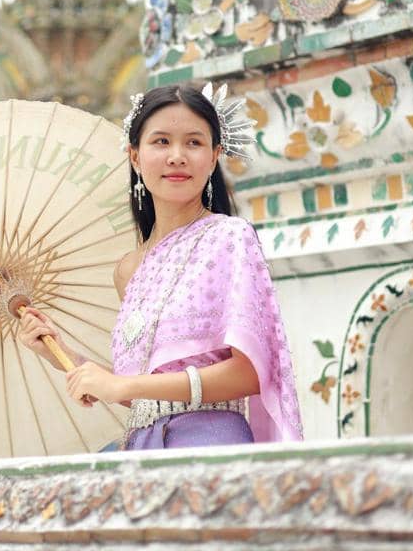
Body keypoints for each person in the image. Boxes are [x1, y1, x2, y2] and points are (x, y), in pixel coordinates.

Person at [18, 83, 304, 449]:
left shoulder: (229, 238)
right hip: (141, 445)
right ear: (135, 156)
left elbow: (250, 372)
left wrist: (126, 385)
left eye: (194, 143)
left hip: (209, 445)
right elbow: (147, 395)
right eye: (162, 142)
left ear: (215, 155)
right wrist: (62, 355)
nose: (177, 156)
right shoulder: (128, 270)